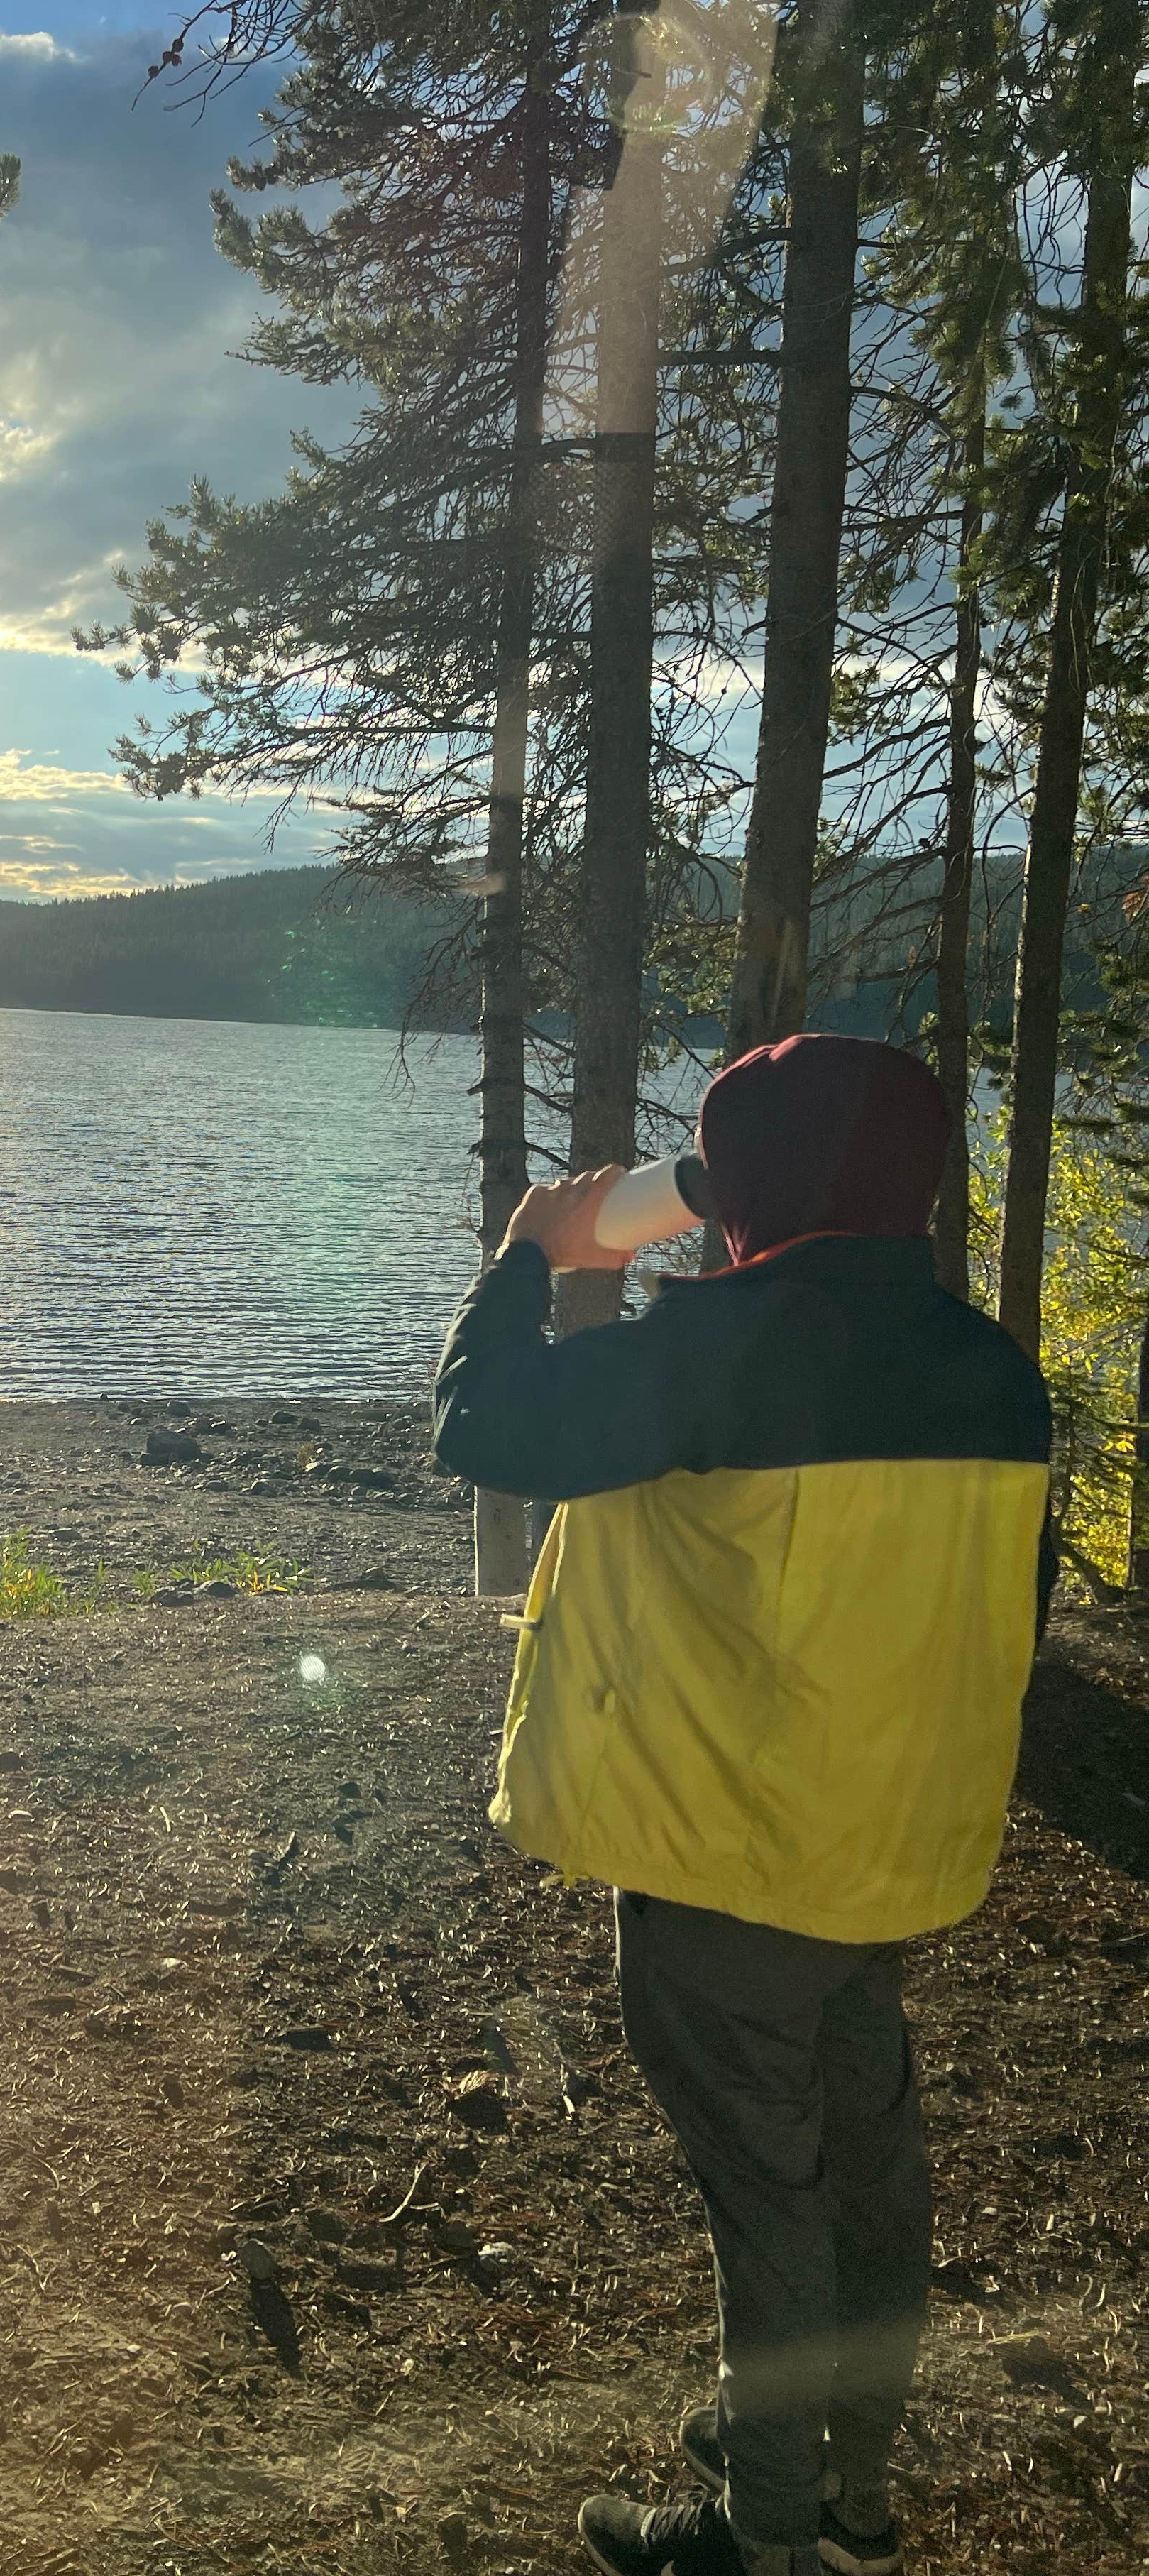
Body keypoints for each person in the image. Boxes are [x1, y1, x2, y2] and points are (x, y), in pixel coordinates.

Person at [429, 1034, 1052, 2576]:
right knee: (871, 2181)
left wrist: (530, 1260)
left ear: (747, 1186)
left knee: (769, 2202)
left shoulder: (724, 1352)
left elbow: (486, 1427)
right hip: (890, 1850)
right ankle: (848, 2499)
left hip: (732, 1867)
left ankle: (762, 2537)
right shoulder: (995, 1373)